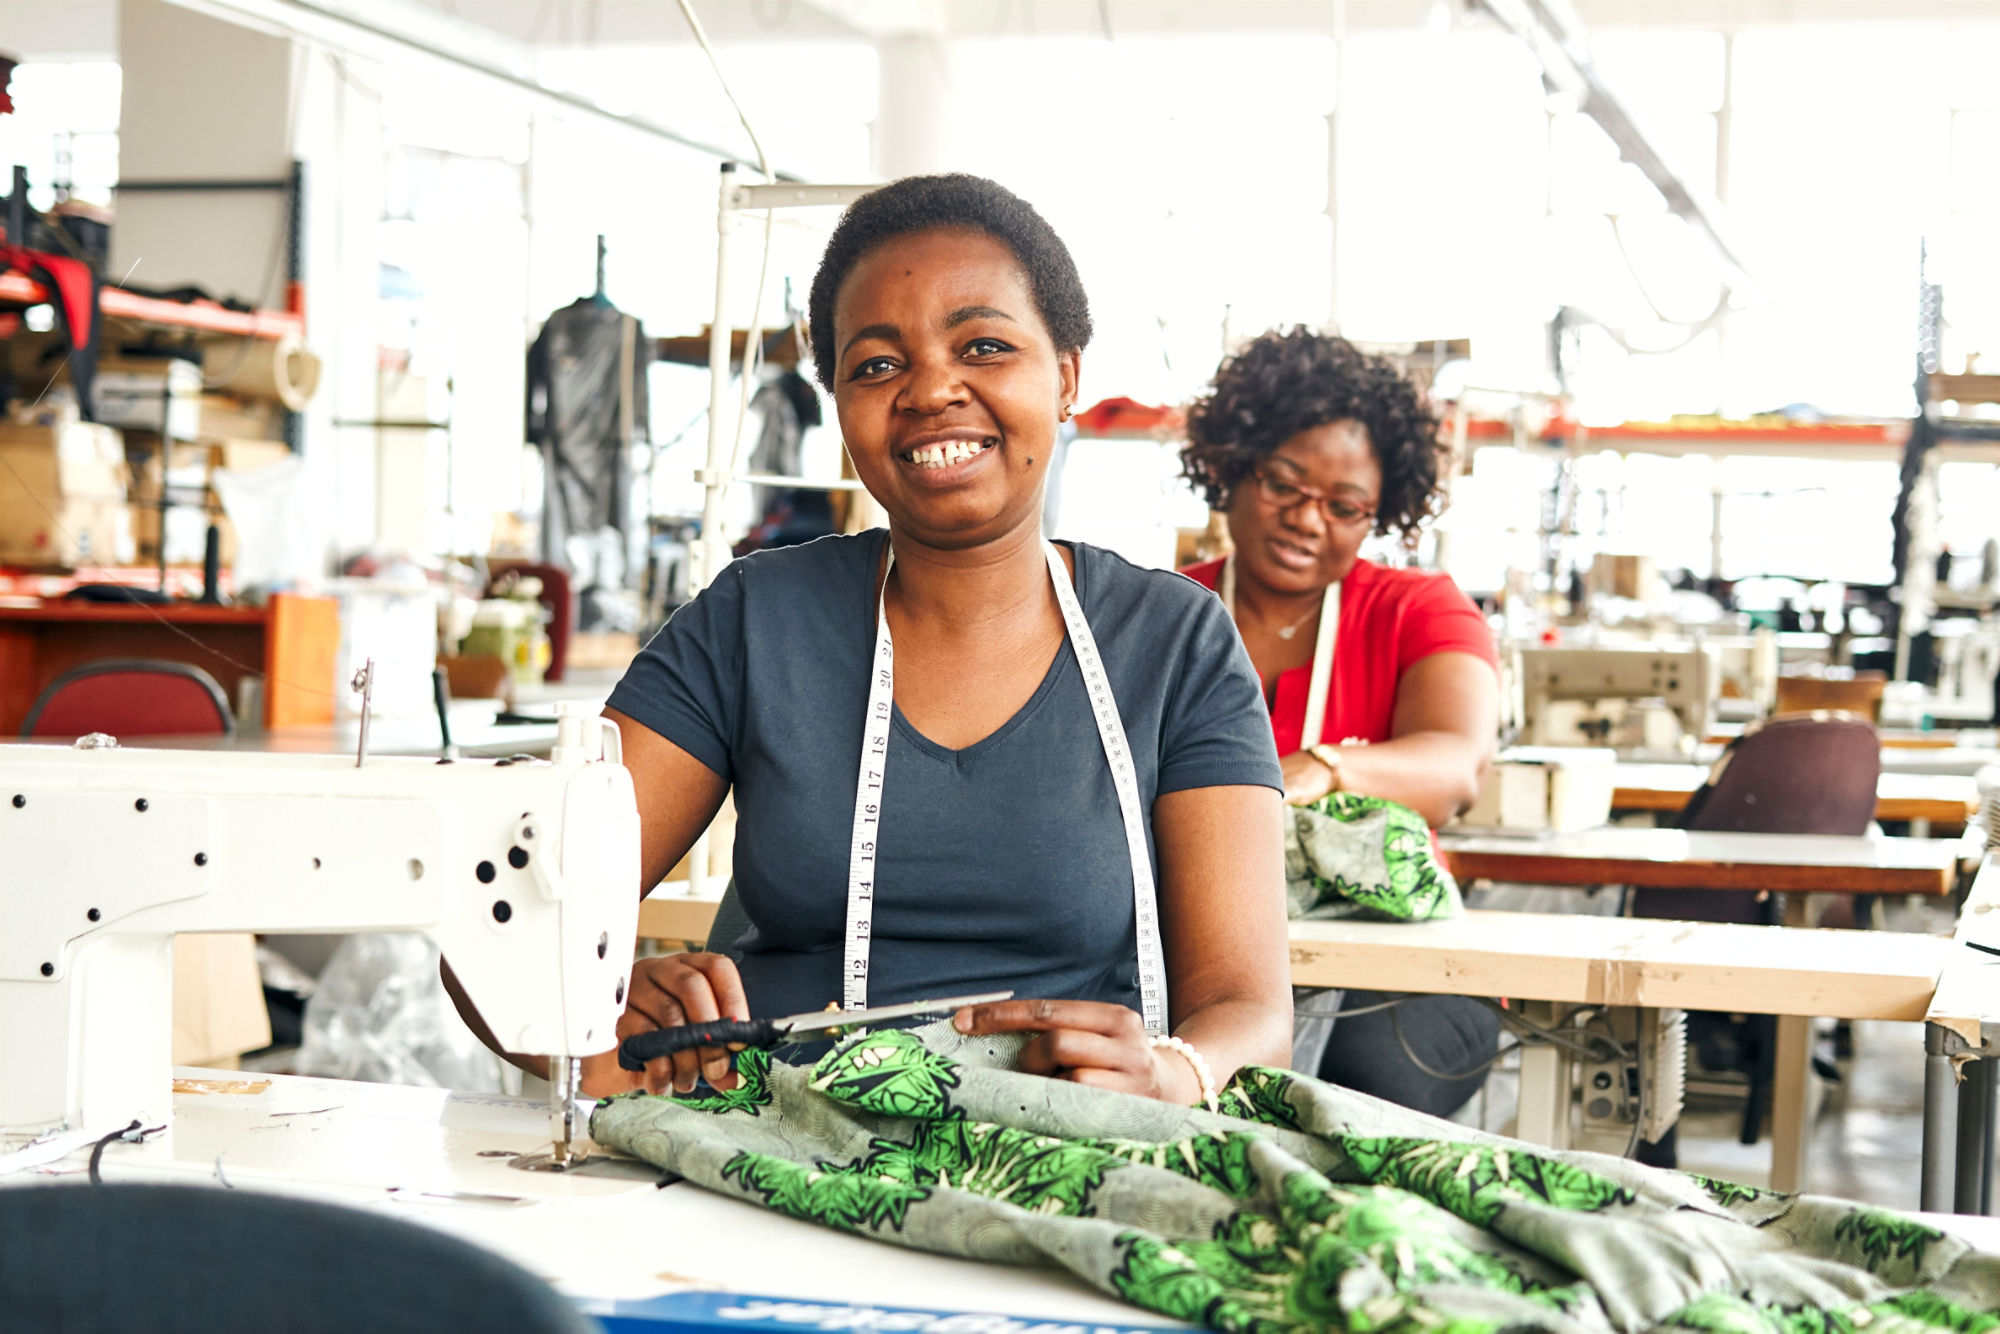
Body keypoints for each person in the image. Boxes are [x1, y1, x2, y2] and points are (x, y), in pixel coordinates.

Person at [450, 174, 1293, 1108]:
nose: (932, 389)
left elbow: (1250, 1007)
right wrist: (595, 1015)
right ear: (840, 407)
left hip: (1061, 1146)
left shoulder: (1173, 643)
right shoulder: (753, 623)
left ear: (1066, 376)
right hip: (774, 1146)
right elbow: (501, 927)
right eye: (877, 366)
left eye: (983, 345)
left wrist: (1181, 1070)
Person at [1177, 328, 1501, 1119]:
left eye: (1344, 506)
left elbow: (1455, 768)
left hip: (1392, 969)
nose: (1307, 520)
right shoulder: (1164, 611)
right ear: (1230, 466)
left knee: (1355, 1088)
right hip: (1198, 944)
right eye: (1283, 484)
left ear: (1377, 513)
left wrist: (1322, 768)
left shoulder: (1417, 610)